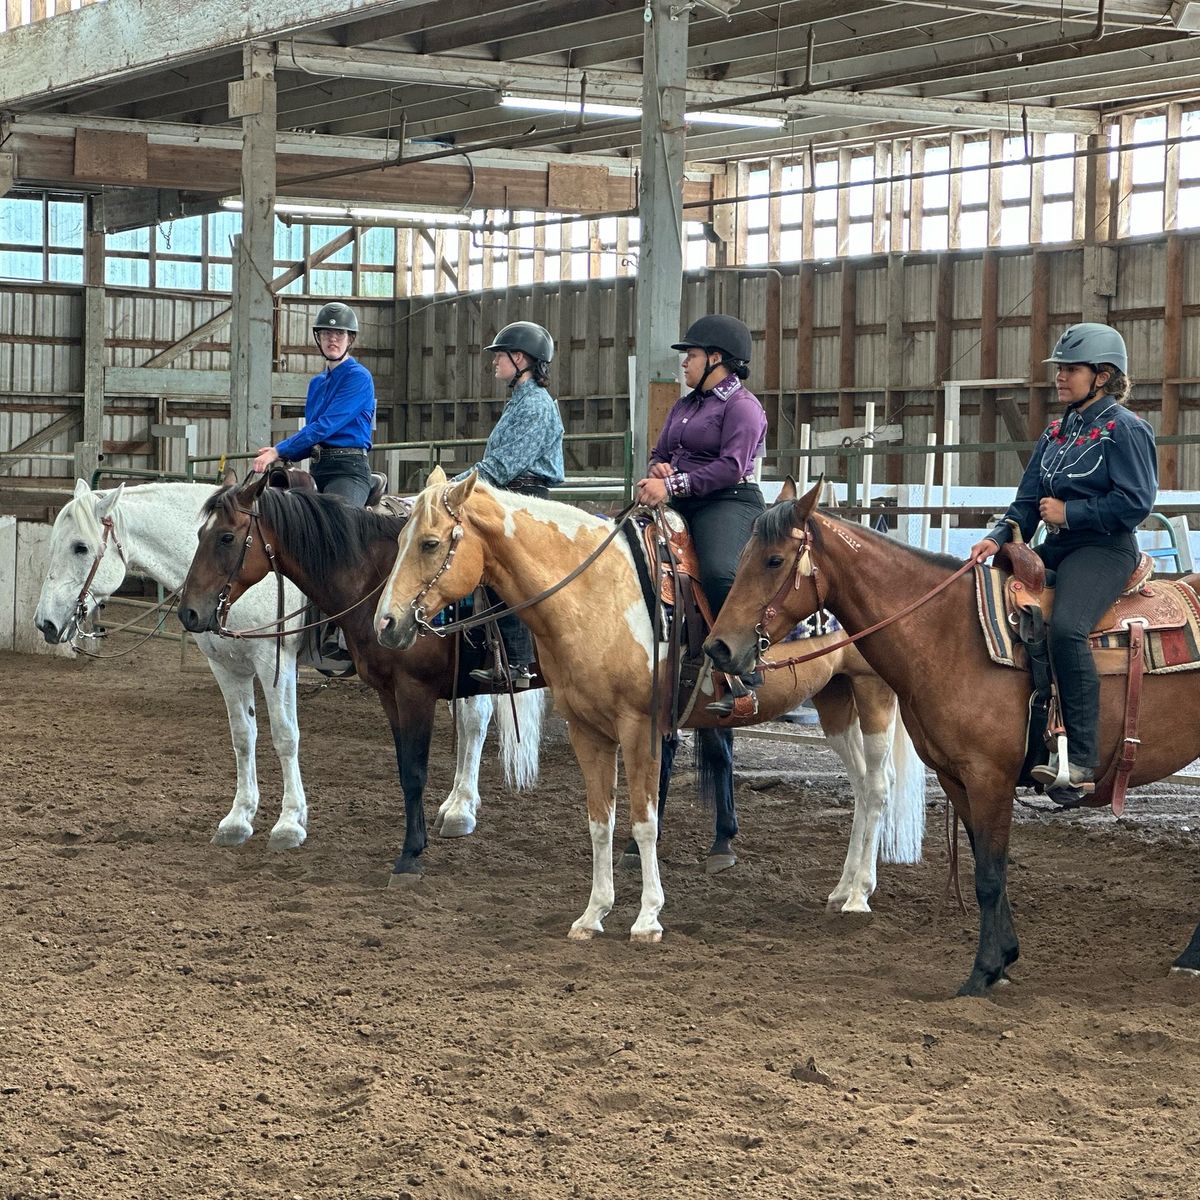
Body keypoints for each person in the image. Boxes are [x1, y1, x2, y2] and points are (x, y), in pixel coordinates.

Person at [969, 322, 1158, 804]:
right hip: (1057, 546)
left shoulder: (1126, 429)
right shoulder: (1055, 432)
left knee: (1067, 629)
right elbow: (1027, 503)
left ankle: (1081, 761)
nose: (1060, 377)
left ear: (1102, 375)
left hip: (1104, 549)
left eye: (1070, 369)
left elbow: (1136, 503)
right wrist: (998, 539)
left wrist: (1072, 512)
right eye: (1060, 369)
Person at [635, 313, 768, 718]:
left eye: (690, 355)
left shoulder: (744, 408)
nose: (684, 362)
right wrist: (658, 468)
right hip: (680, 496)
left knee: (717, 572)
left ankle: (745, 673)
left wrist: (671, 486)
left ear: (716, 358)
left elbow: (731, 466)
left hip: (727, 500)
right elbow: (661, 452)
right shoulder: (683, 405)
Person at [462, 320, 565, 690]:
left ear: (519, 358)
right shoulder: (519, 401)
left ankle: (519, 663)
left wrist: (452, 487)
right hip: (509, 494)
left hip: (524, 498)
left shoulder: (535, 405)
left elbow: (501, 466)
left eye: (500, 356)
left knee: (508, 576)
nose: (495, 362)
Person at [252, 301, 376, 507]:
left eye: (339, 334)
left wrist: (279, 450)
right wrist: (281, 453)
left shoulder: (359, 378)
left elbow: (324, 426)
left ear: (350, 339)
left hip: (348, 470)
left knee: (338, 522)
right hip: (318, 468)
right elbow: (312, 433)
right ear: (319, 338)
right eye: (326, 334)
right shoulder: (316, 383)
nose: (332, 339)